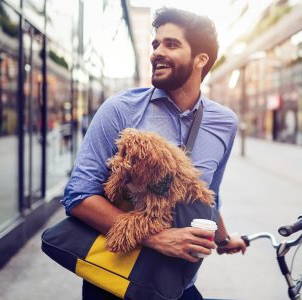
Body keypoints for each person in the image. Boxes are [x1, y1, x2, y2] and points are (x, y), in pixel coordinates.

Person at [61, 7, 247, 300]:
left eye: (171, 44)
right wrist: (157, 238)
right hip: (113, 280)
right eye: (155, 44)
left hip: (174, 284)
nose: (157, 52)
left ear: (201, 59)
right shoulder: (120, 109)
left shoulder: (224, 123)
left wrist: (224, 239)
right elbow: (77, 196)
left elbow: (210, 194)